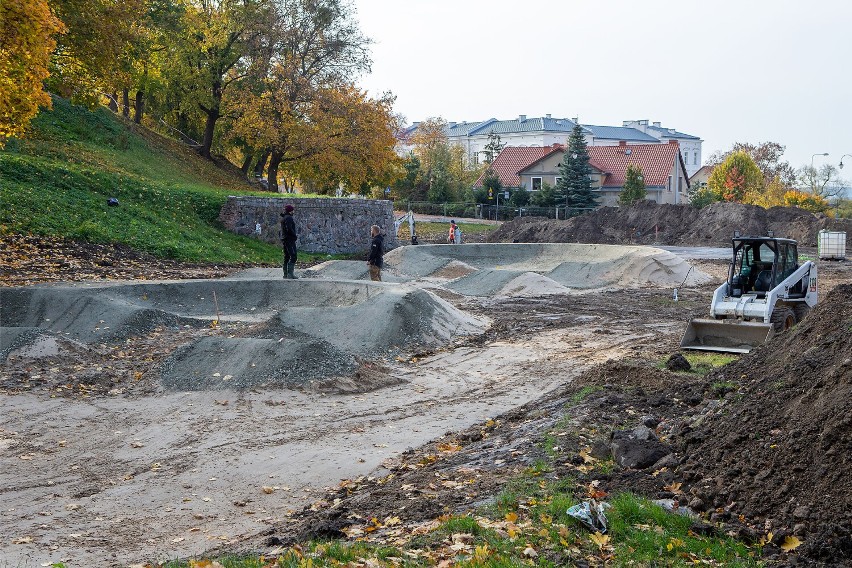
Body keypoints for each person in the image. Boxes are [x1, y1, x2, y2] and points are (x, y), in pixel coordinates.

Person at [280, 204, 298, 279]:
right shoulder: (289, 218)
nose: (294, 211)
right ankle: (290, 274)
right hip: (289, 239)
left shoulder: (284, 218)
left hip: (285, 239)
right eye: (293, 210)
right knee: (293, 256)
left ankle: (285, 274)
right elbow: (289, 229)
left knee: (287, 256)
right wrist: (294, 235)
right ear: (290, 211)